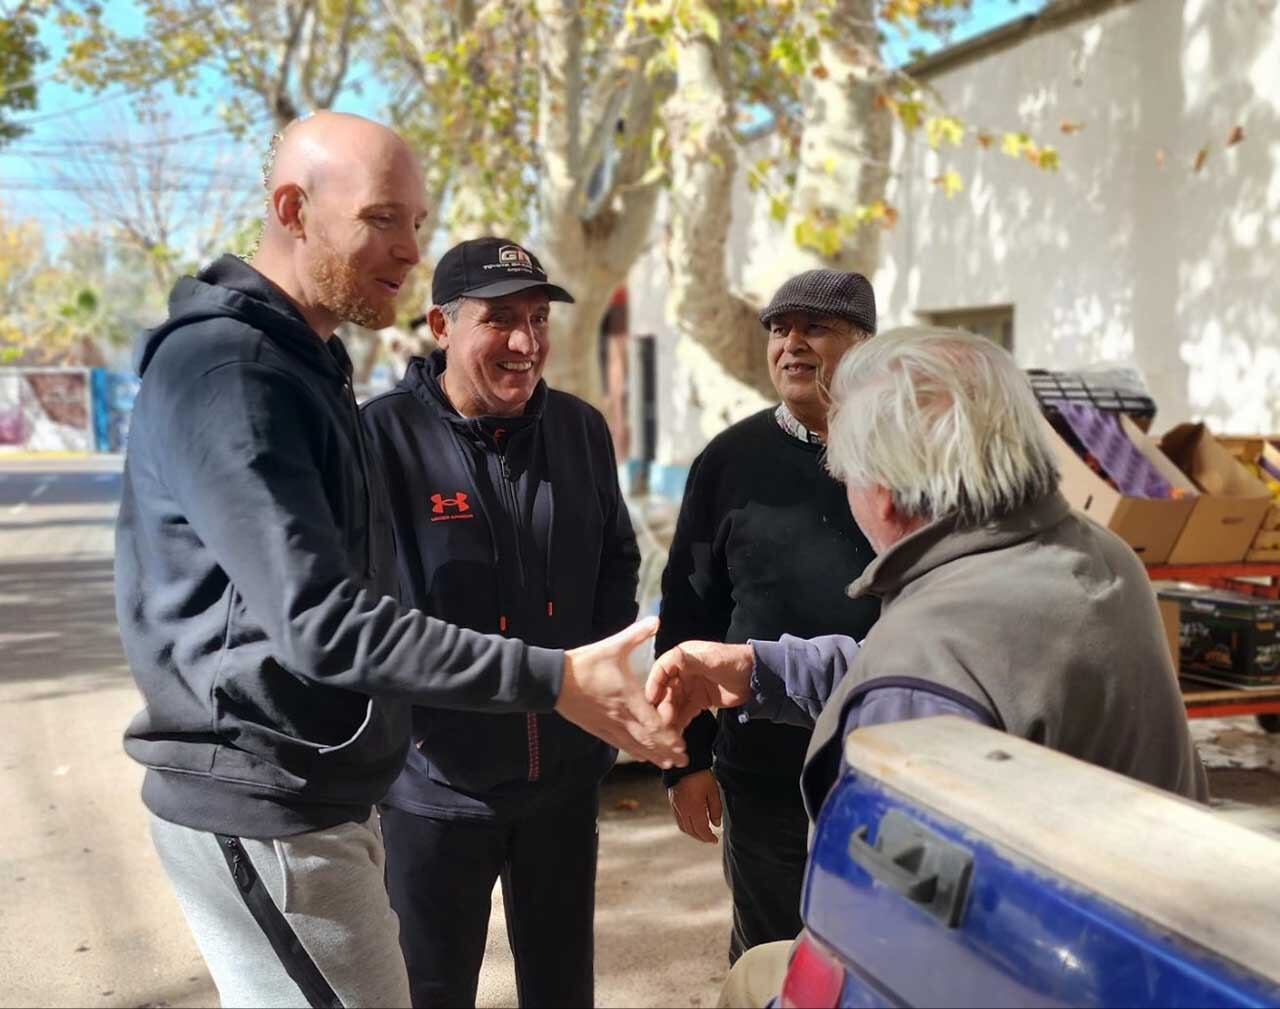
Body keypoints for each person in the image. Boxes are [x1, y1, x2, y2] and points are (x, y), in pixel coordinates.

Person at [114, 112, 684, 1009]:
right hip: (285, 801)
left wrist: (590, 686)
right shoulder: (235, 373)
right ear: (294, 208)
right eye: (384, 217)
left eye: (416, 221)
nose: (409, 245)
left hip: (363, 793)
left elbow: (608, 563)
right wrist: (554, 676)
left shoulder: (310, 367)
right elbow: (323, 618)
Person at [645, 326, 1209, 1008]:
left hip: (1025, 980)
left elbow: (885, 963)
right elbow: (966, 673)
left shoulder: (922, 664)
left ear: (883, 493)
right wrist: (759, 667)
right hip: (1132, 960)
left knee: (754, 978)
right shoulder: (1098, 554)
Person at [360, 237, 637, 1008]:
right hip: (434, 788)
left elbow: (616, 560)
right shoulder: (379, 439)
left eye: (538, 319)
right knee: (432, 989)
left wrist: (594, 701)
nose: (525, 343)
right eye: (500, 319)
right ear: (441, 327)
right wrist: (408, 733)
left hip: (561, 785)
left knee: (561, 987)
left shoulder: (581, 430)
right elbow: (361, 610)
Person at [656, 269, 881, 965]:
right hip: (761, 767)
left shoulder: (905, 456)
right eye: (779, 329)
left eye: (815, 327)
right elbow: (690, 608)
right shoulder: (727, 461)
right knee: (770, 954)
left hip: (882, 763)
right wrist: (685, 761)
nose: (792, 344)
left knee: (879, 954)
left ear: (865, 346)